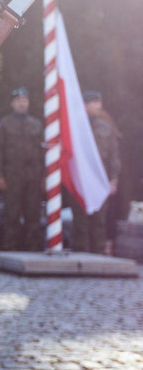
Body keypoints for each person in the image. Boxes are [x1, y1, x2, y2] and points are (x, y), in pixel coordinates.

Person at [0, 87, 45, 250]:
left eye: (25, 100)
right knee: (12, 212)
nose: (22, 104)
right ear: (12, 104)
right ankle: (10, 245)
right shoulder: (4, 124)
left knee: (33, 212)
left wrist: (44, 176)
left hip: (33, 174)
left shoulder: (36, 124)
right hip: (12, 175)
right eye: (18, 101)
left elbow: (43, 152)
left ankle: (32, 246)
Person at [72, 91, 120, 254]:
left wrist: (113, 180)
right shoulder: (75, 126)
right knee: (80, 219)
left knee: (99, 220)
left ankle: (98, 255)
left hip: (100, 179)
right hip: (80, 179)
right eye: (94, 102)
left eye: (99, 102)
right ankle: (81, 253)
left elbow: (114, 156)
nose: (98, 106)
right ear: (85, 105)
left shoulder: (106, 127)